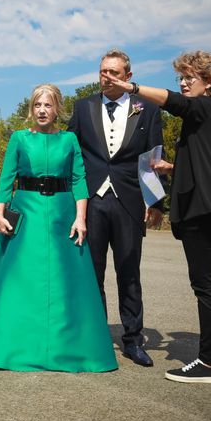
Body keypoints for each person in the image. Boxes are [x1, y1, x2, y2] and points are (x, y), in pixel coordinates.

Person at [101, 50, 211, 384]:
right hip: (205, 208)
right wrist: (171, 167)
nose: (184, 82)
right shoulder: (206, 118)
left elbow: (172, 101)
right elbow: (205, 165)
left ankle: (208, 364)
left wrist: (130, 88)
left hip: (202, 212)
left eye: (191, 77)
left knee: (204, 286)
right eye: (182, 76)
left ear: (210, 83)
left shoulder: (205, 107)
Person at [0, 84, 117, 373]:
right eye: (36, 106)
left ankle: (70, 348)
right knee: (18, 281)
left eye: (47, 105)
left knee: (65, 283)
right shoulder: (19, 138)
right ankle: (8, 346)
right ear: (31, 110)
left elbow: (79, 181)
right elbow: (7, 178)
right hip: (27, 213)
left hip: (62, 213)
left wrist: (80, 218)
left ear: (57, 109)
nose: (42, 110)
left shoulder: (69, 140)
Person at [68, 49, 164, 367]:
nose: (107, 77)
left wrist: (155, 202)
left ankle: (133, 341)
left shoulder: (146, 110)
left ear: (128, 77)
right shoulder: (83, 108)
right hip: (92, 201)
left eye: (114, 72)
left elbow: (153, 159)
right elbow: (69, 152)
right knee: (91, 273)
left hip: (129, 200)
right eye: (103, 71)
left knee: (129, 274)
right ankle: (93, 337)